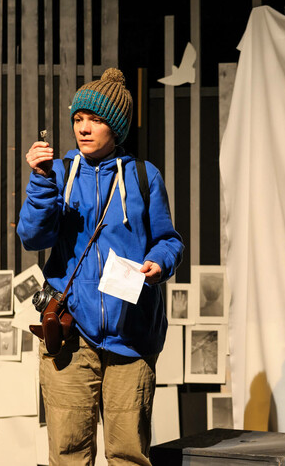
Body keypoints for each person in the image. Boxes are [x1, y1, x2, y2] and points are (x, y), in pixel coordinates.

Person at [17, 68, 184, 465]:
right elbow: (33, 238)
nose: (84, 129)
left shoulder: (144, 176)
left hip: (132, 334)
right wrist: (40, 180)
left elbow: (169, 240)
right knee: (68, 452)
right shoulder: (57, 173)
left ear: (117, 127)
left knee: (129, 454)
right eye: (78, 119)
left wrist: (158, 264)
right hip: (71, 333)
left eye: (96, 119)